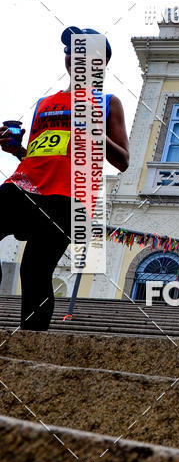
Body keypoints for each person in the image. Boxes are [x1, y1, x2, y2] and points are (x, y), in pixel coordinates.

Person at [0, 27, 129, 331]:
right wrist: (17, 150)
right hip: (23, 185)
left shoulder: (108, 102)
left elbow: (123, 160)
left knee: (35, 270)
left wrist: (94, 132)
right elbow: (41, 153)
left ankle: (30, 344)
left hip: (68, 198)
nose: (74, 56)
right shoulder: (44, 103)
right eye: (71, 50)